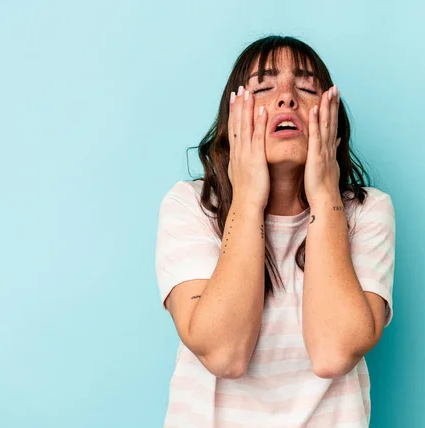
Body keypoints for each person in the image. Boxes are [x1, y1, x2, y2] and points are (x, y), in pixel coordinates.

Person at [155, 35, 396, 427]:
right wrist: (248, 198)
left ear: (332, 117)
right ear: (232, 119)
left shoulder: (368, 211)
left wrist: (324, 195)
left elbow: (334, 353)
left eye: (306, 88)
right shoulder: (189, 206)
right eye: (263, 89)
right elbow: (224, 354)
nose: (286, 99)